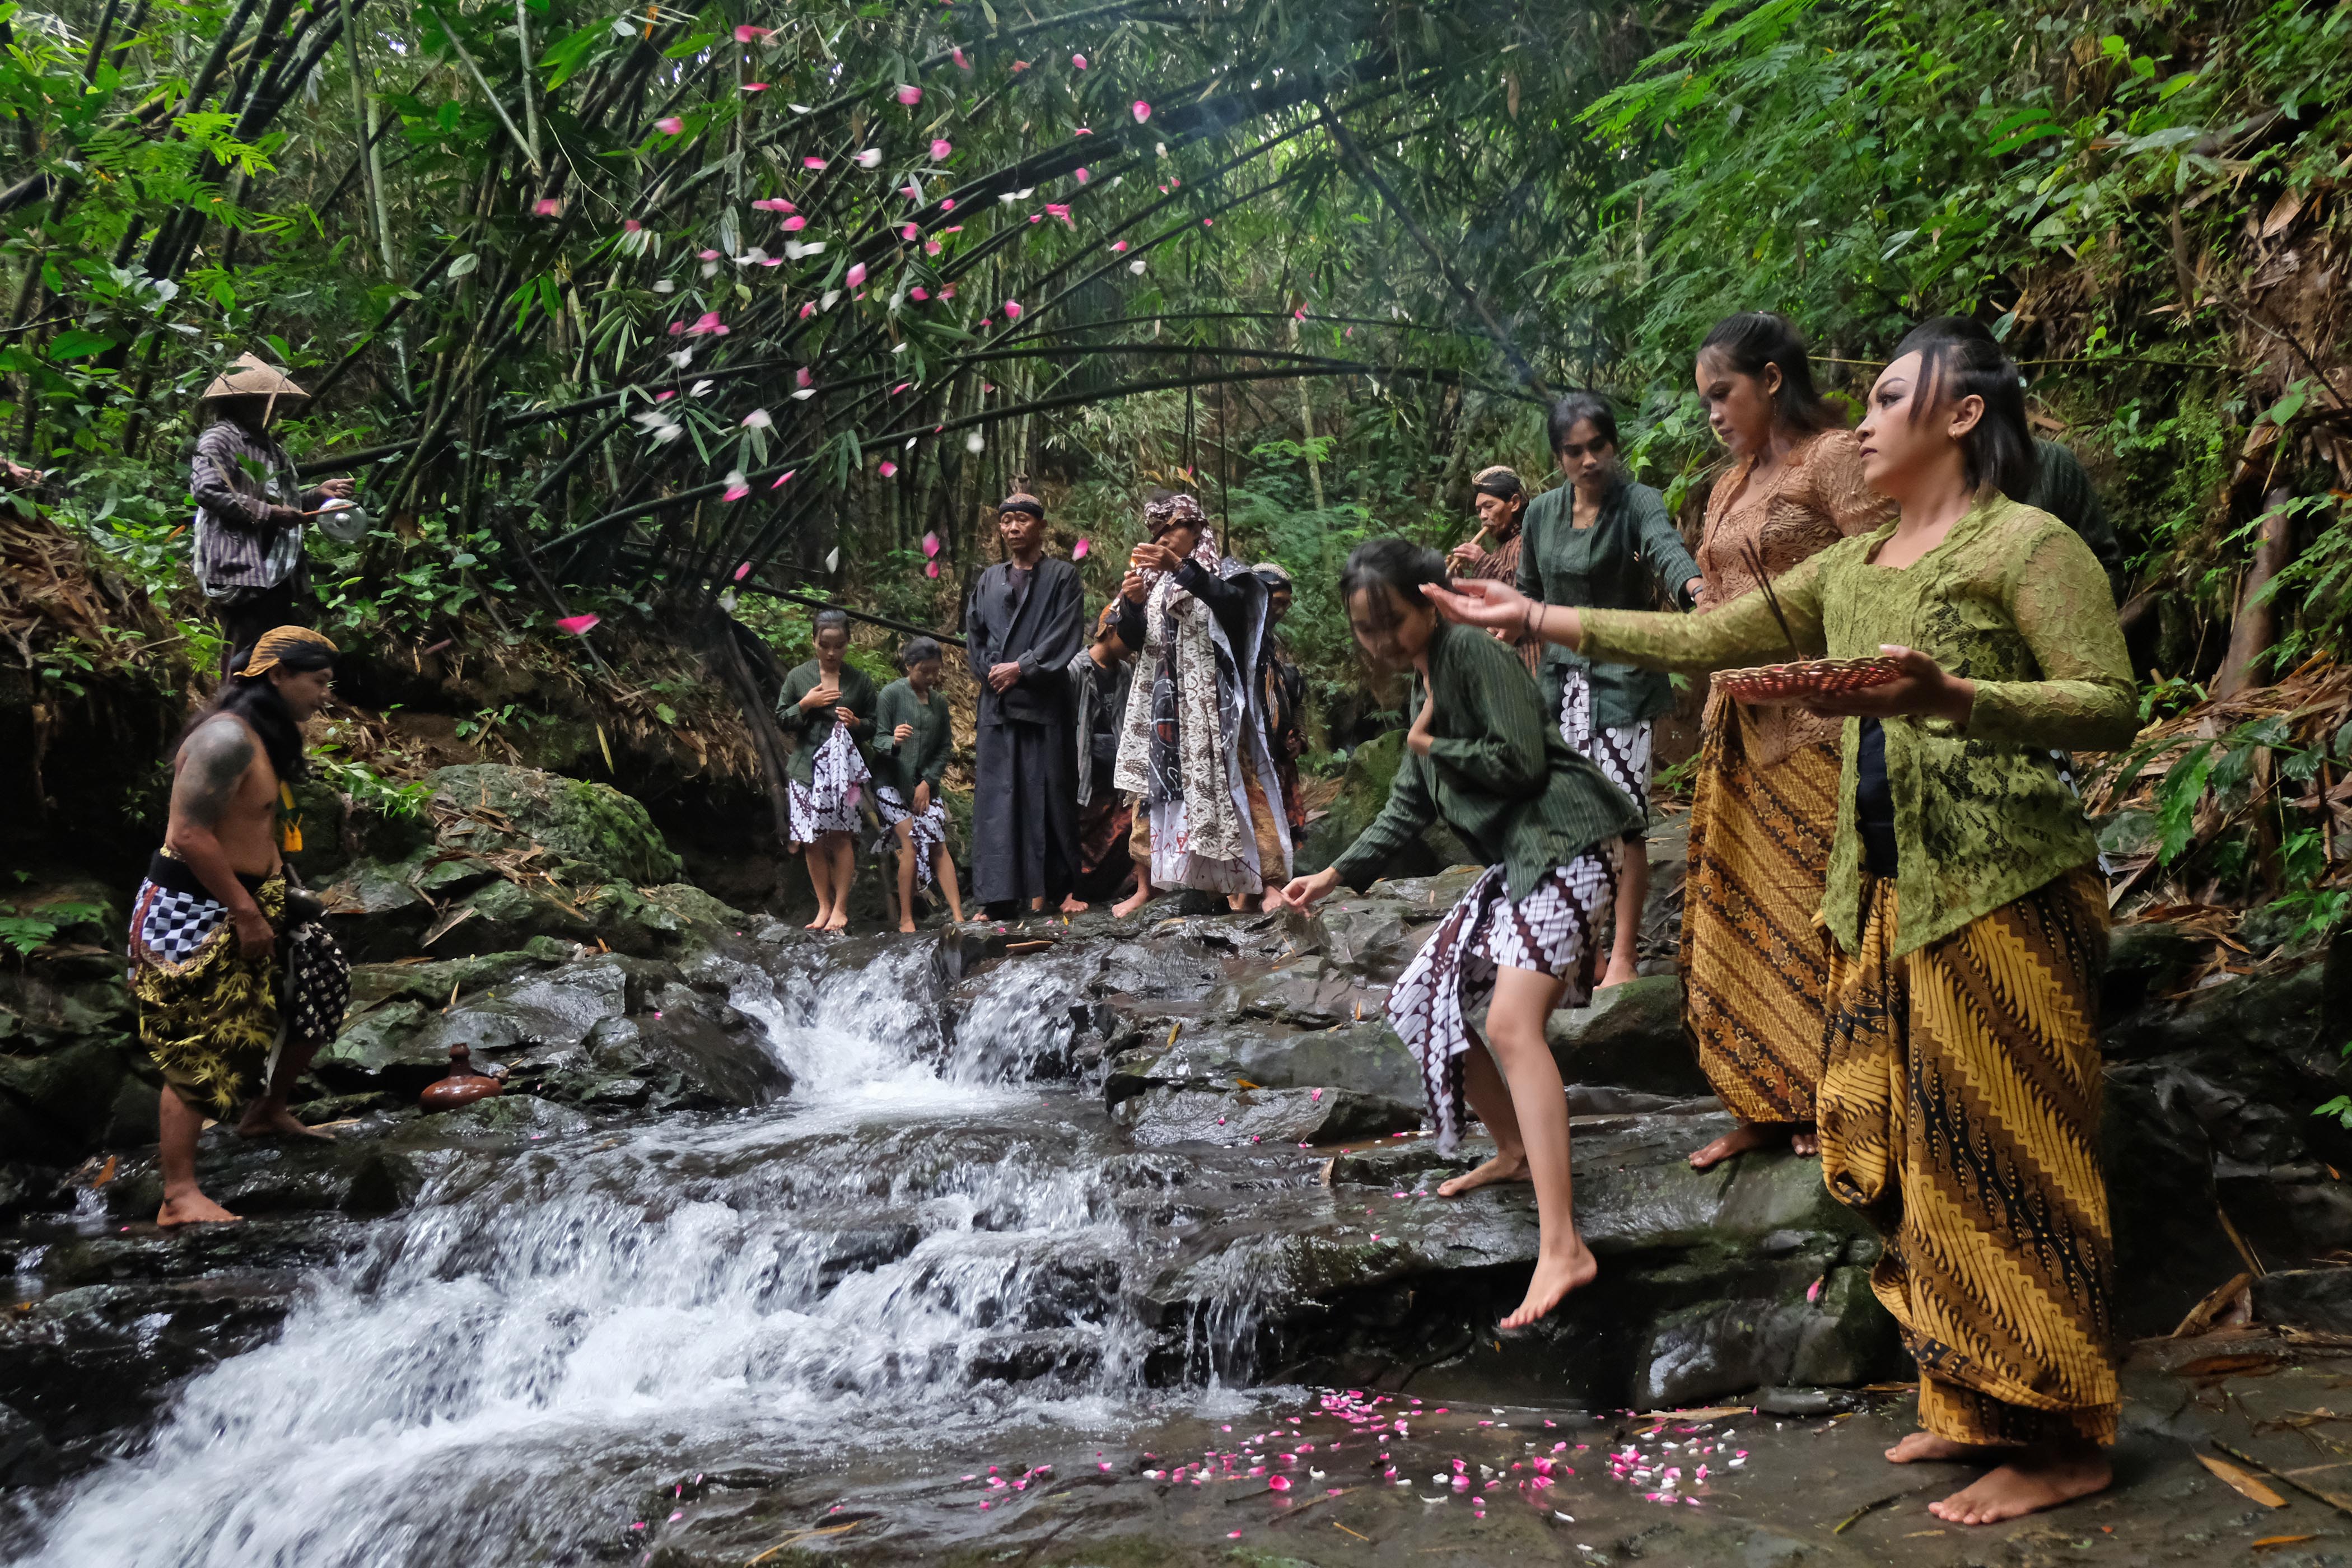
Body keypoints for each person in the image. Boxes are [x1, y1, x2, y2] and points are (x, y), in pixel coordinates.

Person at [1430, 323, 2134, 1525]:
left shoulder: (2028, 541)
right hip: (1888, 897)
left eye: (1889, 398)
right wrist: (1536, 616)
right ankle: (1975, 1401)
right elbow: (1706, 636)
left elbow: (2109, 705)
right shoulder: (1853, 570)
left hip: (2006, 893)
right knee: (1917, 1158)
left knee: (2013, 1162)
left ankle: (2064, 1438)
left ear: (1961, 417)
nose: (1862, 422)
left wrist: (1953, 696)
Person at [1275, 540, 1643, 1328]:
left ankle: (1563, 1245)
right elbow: (1407, 808)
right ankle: (1511, 1149)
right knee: (1417, 1000)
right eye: (1366, 629)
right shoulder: (1426, 687)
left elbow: (1523, 762)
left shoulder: (1473, 653)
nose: (1381, 642)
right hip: (1522, 859)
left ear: (1430, 601)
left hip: (1570, 842)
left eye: (1392, 622)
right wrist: (1332, 874)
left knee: (1512, 1026)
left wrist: (1436, 745)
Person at [1679, 312, 1896, 1172]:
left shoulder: (1836, 458)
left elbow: (1886, 569)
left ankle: (1823, 1092)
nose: (1714, 415)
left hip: (1819, 729)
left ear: (1772, 380)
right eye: (1703, 402)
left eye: (1723, 393)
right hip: (1737, 726)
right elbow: (1713, 599)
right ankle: (1757, 1103)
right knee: (1739, 916)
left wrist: (1842, 676)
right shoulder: (1730, 485)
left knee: (1814, 916)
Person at [129, 626, 353, 1226]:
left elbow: (253, 826)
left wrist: (282, 889)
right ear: (278, 676)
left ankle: (265, 1109)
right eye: (319, 681)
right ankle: (179, 1194)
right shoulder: (226, 739)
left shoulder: (266, 736)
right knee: (202, 1037)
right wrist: (245, 910)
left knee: (322, 983)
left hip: (261, 894)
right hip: (197, 905)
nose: (325, 695)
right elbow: (187, 834)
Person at [1516, 394, 1704, 989]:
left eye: (1599, 445)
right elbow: (1526, 595)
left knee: (1624, 819)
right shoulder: (1540, 513)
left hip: (1622, 681)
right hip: (1559, 685)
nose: (1589, 459)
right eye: (1575, 450)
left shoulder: (1638, 501)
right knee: (1570, 820)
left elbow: (1665, 549)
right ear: (1558, 457)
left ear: (1613, 445)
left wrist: (1696, 589)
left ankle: (1624, 955)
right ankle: (1583, 951)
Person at [1110, 491, 1292, 915]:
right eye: (1155, 531)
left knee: (1238, 786)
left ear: (1196, 527)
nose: (1162, 538)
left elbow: (1235, 610)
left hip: (1216, 702)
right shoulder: (1151, 582)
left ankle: (1266, 883)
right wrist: (1134, 606)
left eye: (1170, 528)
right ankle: (1148, 884)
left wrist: (1183, 570)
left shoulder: (1226, 572)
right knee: (1152, 790)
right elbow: (1132, 640)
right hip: (1163, 703)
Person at [190, 354, 356, 665]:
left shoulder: (269, 447)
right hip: (240, 563)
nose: (272, 409)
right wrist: (270, 514)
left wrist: (316, 496)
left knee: (273, 650)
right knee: (244, 650)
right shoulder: (220, 438)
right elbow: (207, 490)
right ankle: (231, 710)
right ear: (240, 402)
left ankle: (260, 709)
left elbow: (279, 501)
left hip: (276, 567)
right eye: (264, 401)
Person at [964, 492, 1084, 918]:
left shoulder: (1063, 577)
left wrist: (1023, 667)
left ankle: (1059, 890)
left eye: (1022, 520)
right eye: (1007, 521)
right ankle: (997, 899)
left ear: (1041, 526)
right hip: (998, 706)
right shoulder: (988, 580)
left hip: (1044, 704)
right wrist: (992, 672)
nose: (1014, 528)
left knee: (1049, 793)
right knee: (998, 802)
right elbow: (975, 636)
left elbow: (1065, 634)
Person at [776, 609, 875, 932]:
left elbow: (876, 725)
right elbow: (782, 718)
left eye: (839, 646)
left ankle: (841, 909)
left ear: (849, 644)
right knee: (811, 840)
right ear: (814, 642)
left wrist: (857, 723)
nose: (831, 653)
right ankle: (823, 908)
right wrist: (806, 704)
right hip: (806, 768)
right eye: (824, 646)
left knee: (842, 837)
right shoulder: (798, 677)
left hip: (845, 773)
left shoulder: (860, 681)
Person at [870, 637, 964, 932]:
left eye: (935, 671)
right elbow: (878, 739)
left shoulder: (938, 702)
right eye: (924, 671)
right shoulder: (891, 695)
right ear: (909, 666)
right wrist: (894, 741)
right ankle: (906, 918)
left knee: (938, 844)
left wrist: (928, 782)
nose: (931, 677)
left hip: (926, 786)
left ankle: (959, 916)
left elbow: (945, 747)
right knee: (910, 843)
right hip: (891, 784)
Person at [1062, 605, 1137, 912]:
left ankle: (1111, 888)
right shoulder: (1074, 669)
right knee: (1074, 831)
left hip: (1114, 769)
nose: (1132, 648)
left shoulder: (1127, 673)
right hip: (1082, 766)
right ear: (1109, 630)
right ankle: (1068, 891)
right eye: (1129, 638)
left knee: (1125, 824)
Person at [1446, 465, 1543, 676]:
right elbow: (1487, 612)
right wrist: (1459, 584)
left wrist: (1482, 562)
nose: (1483, 516)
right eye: (1479, 510)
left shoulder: (1531, 542)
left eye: (1489, 506)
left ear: (1515, 504)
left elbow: (1527, 596)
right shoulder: (1500, 551)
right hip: (1504, 667)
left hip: (1534, 665)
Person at [1254, 562, 1311, 841]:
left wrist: (1298, 738)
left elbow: (1294, 695)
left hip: (1281, 749)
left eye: (1287, 604)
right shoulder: (1241, 641)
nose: (1283, 610)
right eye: (1278, 602)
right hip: (1252, 750)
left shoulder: (1275, 644)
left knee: (1280, 830)